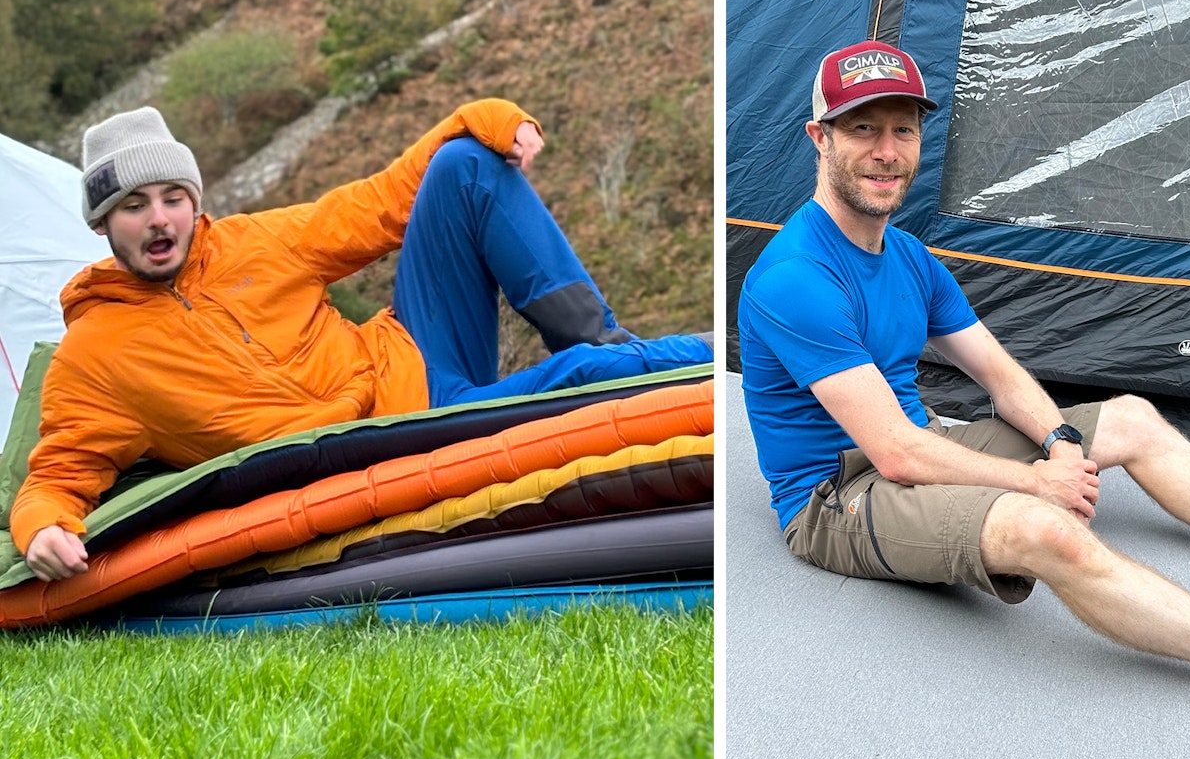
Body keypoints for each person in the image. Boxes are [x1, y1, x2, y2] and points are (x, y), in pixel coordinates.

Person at [737, 40, 1190, 722]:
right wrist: (1037, 482)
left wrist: (1061, 439)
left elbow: (999, 372)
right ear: (819, 139)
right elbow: (894, 453)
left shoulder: (910, 257)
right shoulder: (797, 276)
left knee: (1128, 416)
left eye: (901, 129)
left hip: (920, 445)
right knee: (1049, 531)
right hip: (838, 495)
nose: (886, 151)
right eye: (862, 129)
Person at [15, 99, 711, 582]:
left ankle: (618, 349)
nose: (159, 220)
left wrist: (488, 119)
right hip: (390, 438)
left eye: (172, 197)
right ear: (104, 224)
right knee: (583, 376)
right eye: (133, 206)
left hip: (413, 352)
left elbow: (380, 202)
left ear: (195, 199)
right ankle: (708, 364)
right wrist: (44, 528)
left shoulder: (255, 243)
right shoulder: (96, 355)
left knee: (465, 165)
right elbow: (56, 474)